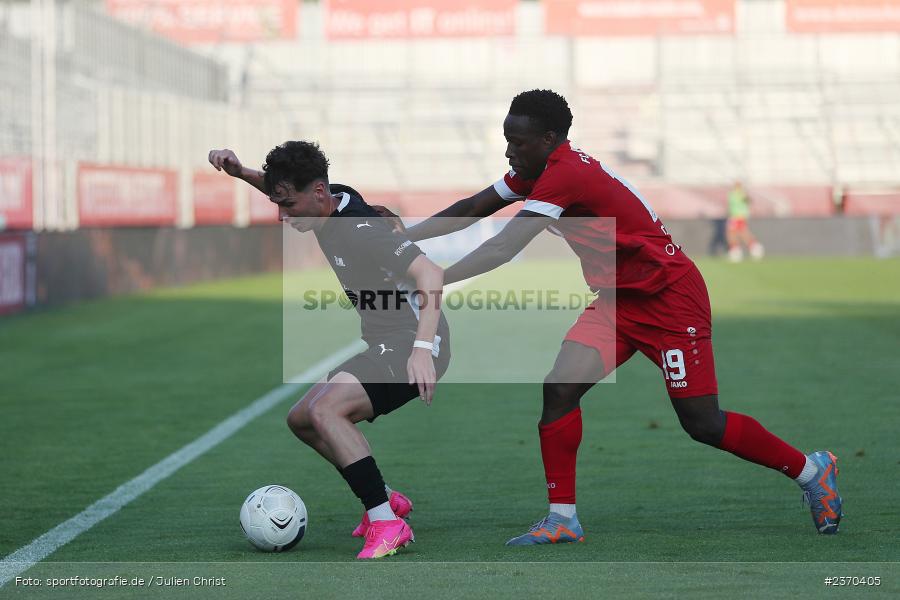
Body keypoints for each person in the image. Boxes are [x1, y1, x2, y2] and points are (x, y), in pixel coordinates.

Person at [392, 89, 841, 545]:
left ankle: (810, 470)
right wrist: (405, 238)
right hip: (617, 300)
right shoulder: (537, 169)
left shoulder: (564, 174)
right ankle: (562, 520)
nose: (509, 150)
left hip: (669, 298)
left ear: (549, 139)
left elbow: (506, 246)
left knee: (702, 423)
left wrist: (435, 278)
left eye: (518, 142)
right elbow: (473, 208)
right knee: (560, 387)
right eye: (506, 139)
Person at [209, 142, 451, 559]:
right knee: (302, 419)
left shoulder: (360, 230)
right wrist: (240, 171)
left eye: (288, 205)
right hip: (386, 342)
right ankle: (385, 499)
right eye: (277, 203)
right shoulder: (331, 199)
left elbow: (431, 273)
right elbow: (280, 185)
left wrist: (422, 350)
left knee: (327, 411)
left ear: (317, 193)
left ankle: (386, 523)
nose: (282, 216)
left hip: (412, 343)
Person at [726, 181, 764, 262]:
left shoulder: (740, 193)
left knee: (737, 233)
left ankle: (751, 248)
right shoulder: (733, 193)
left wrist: (745, 196)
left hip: (739, 217)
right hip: (734, 216)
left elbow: (747, 199)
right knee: (737, 233)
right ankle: (749, 248)